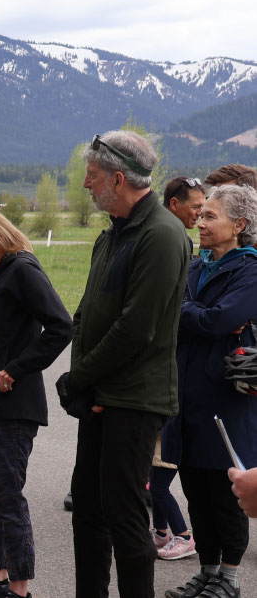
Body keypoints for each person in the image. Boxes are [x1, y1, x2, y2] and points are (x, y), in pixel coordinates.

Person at [58, 131, 190, 598]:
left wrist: (81, 377)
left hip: (134, 399)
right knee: (89, 513)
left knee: (126, 517)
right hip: (101, 394)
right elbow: (88, 312)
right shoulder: (111, 235)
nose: (86, 187)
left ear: (118, 178)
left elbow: (138, 328)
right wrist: (86, 387)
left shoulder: (162, 234)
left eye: (92, 179)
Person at [0, 208, 72, 598]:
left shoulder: (23, 270)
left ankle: (19, 590)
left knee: (8, 497)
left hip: (16, 406)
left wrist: (16, 369)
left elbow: (60, 326)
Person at [161, 184, 257, 598]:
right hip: (186, 393)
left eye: (211, 216)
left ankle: (230, 579)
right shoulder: (195, 266)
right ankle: (208, 571)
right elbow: (168, 310)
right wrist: (199, 317)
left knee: (224, 490)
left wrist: (190, 315)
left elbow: (222, 321)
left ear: (239, 225)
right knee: (195, 487)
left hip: (227, 398)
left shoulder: (250, 270)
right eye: (201, 215)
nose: (200, 222)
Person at [148, 177, 204, 562]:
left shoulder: (181, 244)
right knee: (155, 475)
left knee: (159, 477)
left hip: (175, 387)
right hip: (166, 379)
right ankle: (163, 531)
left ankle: (181, 535)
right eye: (195, 207)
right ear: (173, 203)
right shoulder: (172, 243)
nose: (199, 215)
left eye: (205, 209)